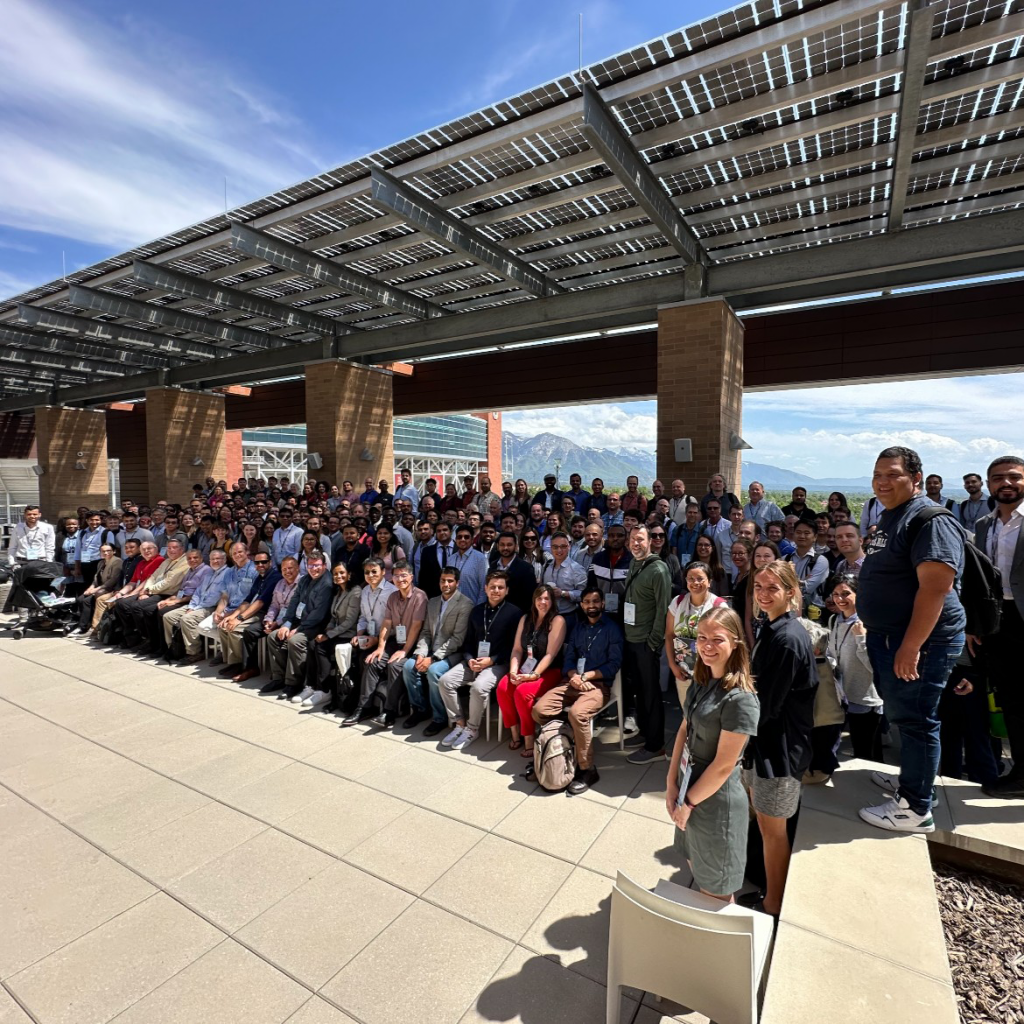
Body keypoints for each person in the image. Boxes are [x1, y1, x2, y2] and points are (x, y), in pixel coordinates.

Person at [858, 446, 965, 832]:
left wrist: (910, 646)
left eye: (893, 474)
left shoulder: (930, 520)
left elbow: (936, 587)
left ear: (916, 478)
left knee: (918, 719)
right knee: (903, 713)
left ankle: (915, 808)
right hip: (891, 637)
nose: (882, 482)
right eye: (877, 475)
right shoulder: (892, 516)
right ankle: (913, 779)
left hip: (921, 643)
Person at [666, 607, 760, 901]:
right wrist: (671, 784)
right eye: (701, 638)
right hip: (688, 789)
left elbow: (723, 765)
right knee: (695, 864)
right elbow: (684, 729)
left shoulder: (741, 699)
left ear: (735, 644)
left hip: (714, 802)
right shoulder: (702, 680)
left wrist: (689, 802)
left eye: (717, 640)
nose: (707, 646)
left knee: (715, 890)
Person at [745, 560, 817, 917]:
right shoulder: (771, 627)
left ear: (791, 592)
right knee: (763, 824)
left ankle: (773, 903)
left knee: (773, 831)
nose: (763, 594)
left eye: (772, 588)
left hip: (780, 749)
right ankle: (764, 885)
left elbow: (767, 705)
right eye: (759, 587)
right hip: (767, 744)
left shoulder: (788, 639)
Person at [533, 586, 623, 794]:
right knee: (540, 709)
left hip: (597, 686)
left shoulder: (612, 628)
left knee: (577, 714)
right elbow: (570, 657)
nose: (591, 606)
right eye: (587, 602)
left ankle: (587, 768)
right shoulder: (578, 627)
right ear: (581, 605)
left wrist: (587, 676)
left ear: (602, 604)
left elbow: (614, 664)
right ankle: (563, 747)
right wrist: (574, 676)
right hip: (572, 681)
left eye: (595, 602)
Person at [971, 454, 1024, 798]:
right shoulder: (983, 526)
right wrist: (974, 624)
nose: (1006, 483)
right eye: (998, 478)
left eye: (1014, 477)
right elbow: (979, 580)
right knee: (1012, 699)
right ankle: (1021, 772)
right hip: (998, 623)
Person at [437, 569, 520, 750]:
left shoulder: (515, 613)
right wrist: (469, 659)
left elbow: (514, 647)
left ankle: (472, 729)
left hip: (499, 664)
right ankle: (459, 723)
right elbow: (467, 642)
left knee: (478, 687)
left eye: (500, 587)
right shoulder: (476, 611)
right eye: (492, 587)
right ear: (485, 588)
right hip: (473, 661)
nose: (496, 591)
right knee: (445, 681)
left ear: (507, 590)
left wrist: (491, 660)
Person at [345, 559, 427, 727]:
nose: (400, 579)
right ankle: (364, 707)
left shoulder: (420, 596)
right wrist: (380, 648)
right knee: (372, 661)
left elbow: (416, 627)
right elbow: (386, 624)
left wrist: (404, 650)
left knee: (395, 665)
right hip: (395, 640)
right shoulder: (393, 596)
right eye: (396, 576)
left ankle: (389, 712)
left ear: (411, 577)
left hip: (414, 644)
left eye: (403, 575)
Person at [496, 585, 566, 758]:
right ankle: (515, 732)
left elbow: (551, 654)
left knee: (522, 692)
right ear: (534, 601)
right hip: (526, 667)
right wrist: (513, 671)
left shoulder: (557, 621)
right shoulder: (525, 618)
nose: (542, 602)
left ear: (552, 601)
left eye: (546, 598)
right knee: (503, 687)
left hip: (549, 671)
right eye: (539, 598)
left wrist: (533, 675)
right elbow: (517, 649)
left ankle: (529, 738)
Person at [622, 525, 673, 766]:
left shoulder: (659, 569)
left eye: (640, 539)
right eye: (632, 539)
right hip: (631, 639)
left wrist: (653, 642)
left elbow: (663, 609)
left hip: (646, 642)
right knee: (640, 691)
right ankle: (645, 733)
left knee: (651, 694)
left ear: (650, 541)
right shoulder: (634, 564)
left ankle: (655, 745)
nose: (636, 544)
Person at [402, 566, 474, 735]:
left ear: (457, 583)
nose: (446, 584)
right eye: (443, 580)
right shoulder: (433, 602)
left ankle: (439, 718)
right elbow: (426, 632)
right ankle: (420, 709)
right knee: (408, 667)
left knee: (434, 671)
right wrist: (420, 653)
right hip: (430, 650)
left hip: (453, 653)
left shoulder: (465, 604)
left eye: (450, 581)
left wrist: (432, 658)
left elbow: (457, 639)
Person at [827, 574, 883, 762]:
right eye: (835, 594)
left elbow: (874, 665)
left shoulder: (870, 622)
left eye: (846, 594)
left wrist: (861, 639)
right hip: (842, 695)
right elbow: (833, 653)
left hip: (865, 698)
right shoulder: (834, 620)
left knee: (867, 754)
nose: (840, 599)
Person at [265, 550, 334, 700]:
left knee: (295, 640)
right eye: (310, 565)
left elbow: (319, 615)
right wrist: (286, 624)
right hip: (298, 620)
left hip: (316, 625)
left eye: (317, 565)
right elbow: (294, 602)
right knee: (273, 637)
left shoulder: (327, 584)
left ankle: (293, 683)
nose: (313, 569)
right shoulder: (304, 580)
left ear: (323, 565)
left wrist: (298, 629)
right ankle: (279, 678)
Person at [665, 561, 729, 709]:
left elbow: (726, 643)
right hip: (684, 671)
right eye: (691, 578)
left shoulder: (719, 606)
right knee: (687, 714)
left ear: (709, 581)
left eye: (700, 578)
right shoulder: (677, 602)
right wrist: (672, 665)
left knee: (707, 717)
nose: (695, 582)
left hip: (710, 674)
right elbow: (669, 635)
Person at [301, 562, 362, 708]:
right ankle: (311, 686)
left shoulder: (355, 592)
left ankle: (324, 689)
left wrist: (329, 636)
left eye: (342, 573)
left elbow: (349, 621)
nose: (338, 576)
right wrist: (327, 631)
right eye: (335, 573)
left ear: (349, 574)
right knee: (312, 643)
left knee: (321, 647)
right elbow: (333, 617)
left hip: (349, 634)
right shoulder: (338, 592)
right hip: (336, 633)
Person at [232, 556, 300, 683]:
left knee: (275, 636)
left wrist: (277, 623)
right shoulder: (280, 583)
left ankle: (281, 674)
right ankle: (250, 668)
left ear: (298, 568)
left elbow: (295, 610)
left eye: (290, 568)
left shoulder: (302, 584)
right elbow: (274, 605)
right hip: (276, 619)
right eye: (284, 569)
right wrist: (268, 620)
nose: (287, 571)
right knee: (249, 631)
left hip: (292, 621)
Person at [215, 551, 282, 676]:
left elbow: (261, 602)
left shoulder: (274, 577)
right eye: (257, 562)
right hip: (254, 610)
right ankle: (233, 663)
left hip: (266, 613)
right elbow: (248, 600)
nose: (260, 565)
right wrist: (232, 616)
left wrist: (239, 619)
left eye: (264, 562)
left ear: (270, 562)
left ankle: (242, 665)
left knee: (234, 629)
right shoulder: (259, 578)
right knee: (224, 626)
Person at [163, 548, 229, 658]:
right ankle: (173, 648)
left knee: (187, 619)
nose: (215, 561)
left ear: (225, 560)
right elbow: (197, 592)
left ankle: (194, 652)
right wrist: (192, 606)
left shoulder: (227, 574)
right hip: (197, 605)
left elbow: (216, 598)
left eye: (218, 559)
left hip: (211, 607)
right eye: (212, 559)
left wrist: (195, 608)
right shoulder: (209, 573)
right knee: (168, 616)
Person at [69, 543, 122, 636]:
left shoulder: (117, 561)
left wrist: (96, 589)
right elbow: (96, 579)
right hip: (100, 588)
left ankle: (86, 627)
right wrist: (90, 588)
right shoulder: (101, 563)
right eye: (103, 551)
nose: (106, 553)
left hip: (110, 589)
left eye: (108, 550)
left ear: (114, 551)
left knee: (87, 601)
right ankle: (85, 624)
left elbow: (113, 580)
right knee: (81, 599)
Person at [785, 520, 830, 619]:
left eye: (807, 533)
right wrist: (801, 581)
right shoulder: (785, 559)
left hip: (812, 613)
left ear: (815, 537)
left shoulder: (821, 561)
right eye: (798, 532)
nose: (802, 536)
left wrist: (790, 580)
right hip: (787, 610)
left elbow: (807, 589)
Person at [541, 531, 588, 615]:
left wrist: (563, 593)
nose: (559, 550)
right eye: (555, 547)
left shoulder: (577, 569)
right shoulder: (547, 565)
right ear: (551, 548)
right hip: (547, 614)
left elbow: (584, 595)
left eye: (563, 546)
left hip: (567, 615)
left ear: (569, 547)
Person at [489, 532, 537, 612]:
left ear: (516, 546)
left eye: (509, 545)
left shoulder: (526, 568)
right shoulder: (493, 566)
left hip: (516, 615)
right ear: (497, 546)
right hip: (495, 614)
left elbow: (529, 598)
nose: (505, 548)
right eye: (502, 544)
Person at [450, 525, 489, 605]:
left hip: (472, 606)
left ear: (472, 540)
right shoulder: (451, 559)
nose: (462, 539)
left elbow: (484, 588)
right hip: (452, 607)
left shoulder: (480, 559)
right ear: (455, 540)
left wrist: (478, 609)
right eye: (459, 537)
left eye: (466, 537)